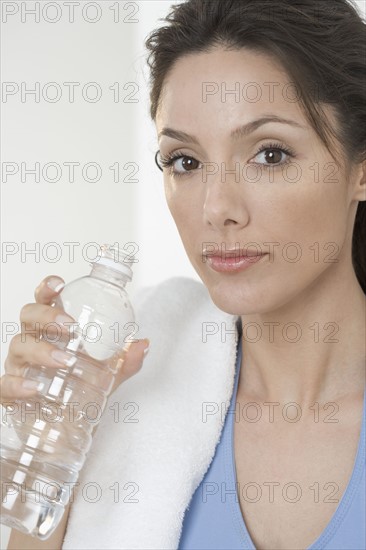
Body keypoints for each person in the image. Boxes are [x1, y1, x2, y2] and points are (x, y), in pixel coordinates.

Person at [2, 0, 365, 548]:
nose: (217, 207)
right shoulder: (129, 397)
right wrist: (51, 443)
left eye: (269, 154)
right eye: (185, 162)